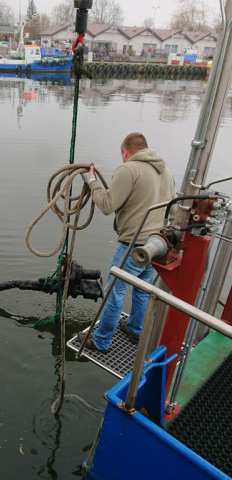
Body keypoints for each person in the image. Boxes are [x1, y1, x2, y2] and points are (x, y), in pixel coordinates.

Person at [78, 132, 175, 352]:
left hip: (134, 247)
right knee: (141, 291)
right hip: (158, 245)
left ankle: (101, 341)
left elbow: (106, 205)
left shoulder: (128, 169)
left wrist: (91, 181)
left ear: (125, 151)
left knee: (115, 291)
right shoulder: (166, 172)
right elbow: (174, 210)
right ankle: (135, 329)